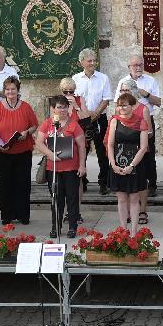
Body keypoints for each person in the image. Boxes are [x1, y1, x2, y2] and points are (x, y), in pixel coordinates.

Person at [0, 76, 38, 225]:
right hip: (3, 152)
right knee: (5, 184)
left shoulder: (26, 107)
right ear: (4, 91)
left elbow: (34, 125)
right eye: (8, 89)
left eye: (13, 89)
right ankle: (7, 215)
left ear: (18, 90)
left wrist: (27, 133)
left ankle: (23, 215)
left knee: (23, 184)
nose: (10, 92)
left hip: (23, 151)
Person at [36, 96, 87, 238]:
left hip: (71, 168)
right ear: (53, 109)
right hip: (53, 169)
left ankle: (72, 226)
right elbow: (39, 142)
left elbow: (82, 146)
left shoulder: (74, 125)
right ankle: (55, 226)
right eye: (59, 107)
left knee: (72, 198)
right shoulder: (47, 124)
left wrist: (82, 165)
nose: (62, 110)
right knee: (56, 199)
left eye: (64, 107)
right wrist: (50, 154)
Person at [115, 55, 161, 196]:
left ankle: (151, 185)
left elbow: (158, 102)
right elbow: (118, 103)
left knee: (148, 153)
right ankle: (129, 181)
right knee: (128, 151)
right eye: (135, 65)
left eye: (141, 64)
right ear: (129, 67)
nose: (138, 67)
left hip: (145, 119)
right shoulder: (122, 82)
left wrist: (144, 93)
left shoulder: (150, 80)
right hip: (127, 121)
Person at [107, 93, 149, 234]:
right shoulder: (114, 121)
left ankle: (134, 231)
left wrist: (132, 166)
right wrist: (113, 164)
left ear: (132, 106)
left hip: (135, 164)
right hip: (117, 163)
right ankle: (123, 230)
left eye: (125, 105)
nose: (122, 108)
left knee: (134, 197)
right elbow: (110, 144)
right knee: (121, 197)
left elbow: (143, 147)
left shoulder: (141, 122)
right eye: (119, 105)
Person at [72, 48, 112, 194]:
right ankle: (82, 180)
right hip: (81, 120)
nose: (93, 63)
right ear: (82, 62)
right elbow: (73, 100)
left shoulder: (103, 78)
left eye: (94, 60)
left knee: (103, 151)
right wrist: (85, 114)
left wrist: (95, 113)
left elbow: (106, 99)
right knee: (82, 150)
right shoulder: (75, 79)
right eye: (89, 61)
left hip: (99, 117)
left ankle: (104, 182)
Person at [117, 80, 153, 225]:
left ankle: (142, 210)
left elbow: (149, 132)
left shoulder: (143, 108)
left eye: (126, 90)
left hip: (139, 150)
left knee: (140, 183)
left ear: (133, 91)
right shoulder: (119, 107)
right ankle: (126, 212)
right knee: (124, 184)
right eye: (121, 90)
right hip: (122, 151)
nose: (123, 93)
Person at [61, 77, 91, 225]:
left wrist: (76, 107)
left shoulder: (80, 100)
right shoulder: (58, 102)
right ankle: (66, 211)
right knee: (64, 179)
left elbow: (86, 120)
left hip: (78, 144)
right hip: (63, 144)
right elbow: (54, 123)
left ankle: (76, 211)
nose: (68, 94)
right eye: (65, 91)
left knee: (77, 178)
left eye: (70, 91)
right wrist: (65, 108)